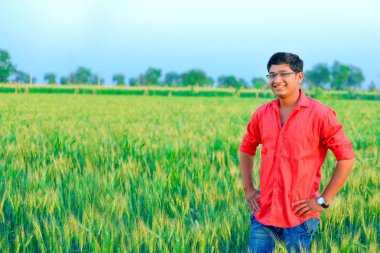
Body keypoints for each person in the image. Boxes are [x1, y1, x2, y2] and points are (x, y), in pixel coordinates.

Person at [239, 52, 355, 253]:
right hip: (264, 216)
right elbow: (246, 148)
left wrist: (323, 200)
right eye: (272, 75)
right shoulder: (262, 113)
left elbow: (346, 158)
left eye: (283, 74)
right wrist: (249, 189)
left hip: (299, 219)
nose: (277, 80)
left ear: (299, 77)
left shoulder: (321, 114)